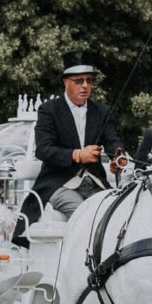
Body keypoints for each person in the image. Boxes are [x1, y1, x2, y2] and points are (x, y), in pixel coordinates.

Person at [33, 50, 127, 217]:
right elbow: (43, 149)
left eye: (89, 80)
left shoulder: (101, 111)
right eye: (79, 81)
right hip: (58, 184)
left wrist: (117, 157)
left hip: (95, 182)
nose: (85, 85)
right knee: (85, 214)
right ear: (65, 82)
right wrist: (77, 155)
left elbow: (113, 140)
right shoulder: (49, 110)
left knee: (116, 213)